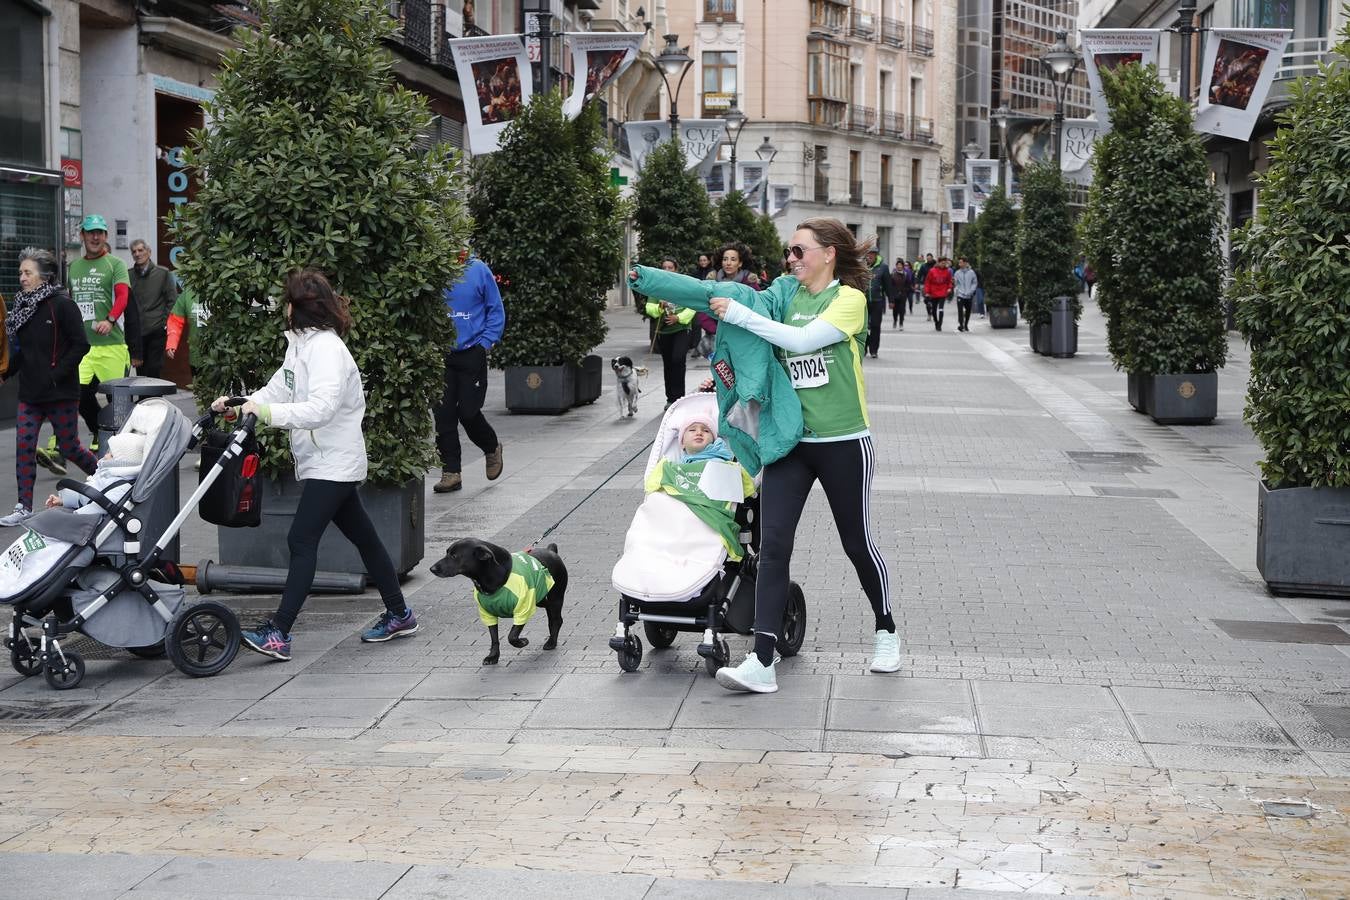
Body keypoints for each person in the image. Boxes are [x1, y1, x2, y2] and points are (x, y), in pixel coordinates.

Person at [633, 218, 896, 693]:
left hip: (842, 441)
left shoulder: (848, 300)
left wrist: (737, 313)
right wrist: (655, 281)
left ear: (829, 253)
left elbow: (798, 341)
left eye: (799, 251)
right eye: (788, 252)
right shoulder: (781, 294)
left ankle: (886, 631)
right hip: (788, 442)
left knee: (857, 544)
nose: (790, 259)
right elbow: (725, 300)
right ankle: (763, 660)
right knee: (773, 548)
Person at [216, 269, 416, 661]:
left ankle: (280, 632)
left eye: (287, 302)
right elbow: (278, 389)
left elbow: (322, 408)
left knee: (301, 540)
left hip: (334, 463)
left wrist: (267, 412)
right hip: (324, 462)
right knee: (366, 538)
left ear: (298, 308)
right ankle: (399, 614)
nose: (283, 308)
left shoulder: (326, 350)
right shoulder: (300, 346)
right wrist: (241, 403)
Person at [0, 248, 98, 527]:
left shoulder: (62, 304)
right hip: (30, 394)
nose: (22, 278)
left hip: (60, 392)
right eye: (20, 272)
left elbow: (81, 344)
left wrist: (56, 375)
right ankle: (23, 506)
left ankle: (105, 480)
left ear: (44, 276)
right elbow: (23, 352)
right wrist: (5, 374)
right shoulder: (21, 307)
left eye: (27, 272)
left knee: (69, 447)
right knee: (24, 445)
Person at [433, 252, 505, 494]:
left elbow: (495, 309)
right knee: (443, 416)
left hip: (471, 351)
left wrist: (485, 343)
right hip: (439, 353)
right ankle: (451, 472)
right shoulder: (433, 268)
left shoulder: (479, 270)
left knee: (468, 412)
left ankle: (491, 446)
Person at [66, 214, 138, 451]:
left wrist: (110, 319)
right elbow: (69, 301)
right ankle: (99, 433)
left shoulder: (115, 264)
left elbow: (123, 296)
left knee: (117, 402)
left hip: (111, 345)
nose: (95, 237)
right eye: (90, 232)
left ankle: (128, 444)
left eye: (99, 232)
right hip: (83, 346)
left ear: (106, 236)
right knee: (79, 395)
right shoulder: (74, 267)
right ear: (82, 236)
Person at [45, 431, 144, 513]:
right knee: (47, 516)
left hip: (87, 520)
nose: (106, 456)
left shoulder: (121, 488)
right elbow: (89, 492)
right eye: (108, 452)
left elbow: (99, 508)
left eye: (112, 455)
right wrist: (64, 500)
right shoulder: (107, 474)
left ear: (123, 463)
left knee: (50, 519)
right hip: (83, 509)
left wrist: (77, 515)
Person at [644, 258, 696, 405]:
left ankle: (680, 397)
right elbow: (649, 308)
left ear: (676, 269)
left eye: (670, 267)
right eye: (664, 267)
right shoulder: (656, 287)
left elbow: (692, 306)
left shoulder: (683, 285)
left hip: (682, 328)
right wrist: (660, 307)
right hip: (664, 331)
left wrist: (678, 318)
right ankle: (671, 399)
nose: (667, 270)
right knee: (668, 364)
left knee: (678, 359)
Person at [128, 239, 177, 379]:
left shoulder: (163, 273)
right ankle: (143, 401)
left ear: (148, 252)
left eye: (140, 250)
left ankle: (153, 400)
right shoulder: (129, 275)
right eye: (134, 251)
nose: (137, 254)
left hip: (156, 331)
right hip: (136, 333)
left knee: (154, 370)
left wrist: (163, 323)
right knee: (140, 373)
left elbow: (172, 300)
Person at [864, 248, 892, 358]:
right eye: (868, 254)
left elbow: (888, 284)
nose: (869, 256)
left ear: (876, 255)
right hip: (863, 302)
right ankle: (864, 348)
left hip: (877, 301)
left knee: (875, 326)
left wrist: (891, 300)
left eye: (872, 254)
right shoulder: (861, 267)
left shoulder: (883, 268)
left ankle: (874, 350)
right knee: (863, 327)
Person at [923, 256, 954, 331]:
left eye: (945, 263)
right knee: (933, 310)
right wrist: (927, 292)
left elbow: (949, 281)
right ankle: (936, 322)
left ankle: (940, 324)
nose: (943, 264)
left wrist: (949, 288)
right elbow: (927, 282)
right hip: (933, 293)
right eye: (942, 263)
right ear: (938, 262)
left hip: (943, 292)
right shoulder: (932, 271)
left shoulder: (947, 271)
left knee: (941, 309)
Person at [953, 256, 979, 332]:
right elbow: (956, 283)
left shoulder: (971, 272)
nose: (959, 264)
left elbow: (974, 282)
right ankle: (961, 325)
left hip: (969, 295)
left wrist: (971, 290)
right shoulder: (957, 273)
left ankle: (966, 325)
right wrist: (956, 290)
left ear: (965, 263)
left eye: (960, 262)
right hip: (960, 294)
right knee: (960, 310)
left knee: (968, 311)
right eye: (959, 262)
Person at [915, 253, 936, 319]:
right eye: (928, 258)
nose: (929, 259)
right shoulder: (924, 266)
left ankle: (932, 310)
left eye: (930, 258)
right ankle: (929, 314)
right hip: (926, 284)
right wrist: (917, 283)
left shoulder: (936, 265)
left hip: (935, 284)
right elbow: (919, 275)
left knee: (933, 300)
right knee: (927, 300)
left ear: (932, 258)